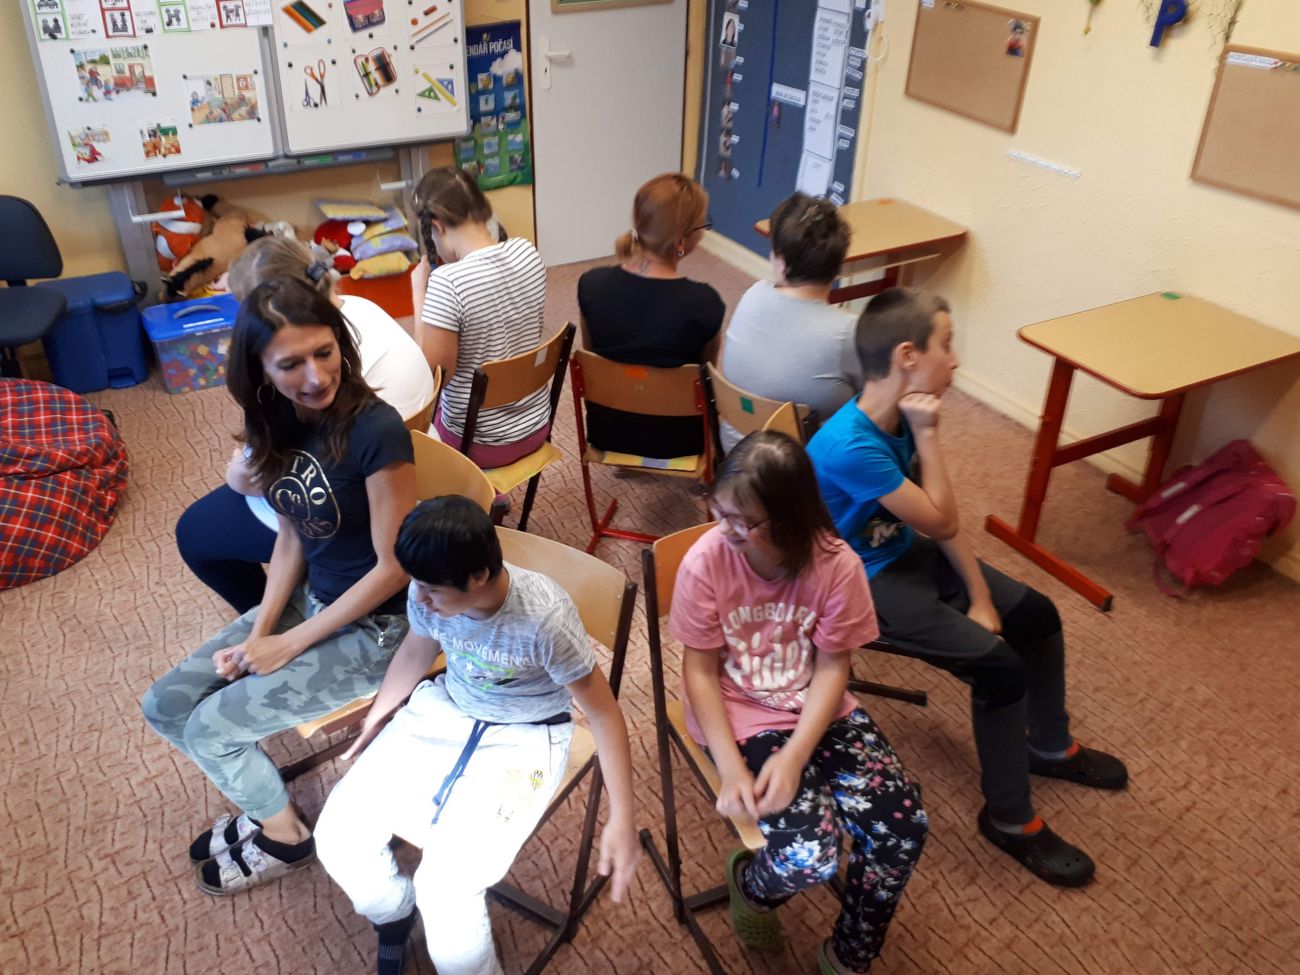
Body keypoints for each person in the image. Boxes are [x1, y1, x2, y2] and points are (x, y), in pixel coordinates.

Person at [806, 287, 1128, 888]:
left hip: (900, 552)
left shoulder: (901, 414)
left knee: (1038, 616)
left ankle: (1050, 746)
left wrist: (980, 597)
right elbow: (942, 519)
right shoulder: (851, 444)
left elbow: (942, 526)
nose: (955, 361)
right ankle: (1009, 820)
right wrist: (929, 438)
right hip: (855, 583)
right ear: (907, 355)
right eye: (946, 345)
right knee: (999, 670)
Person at [141, 278, 417, 895]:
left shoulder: (376, 431)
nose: (316, 376)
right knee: (164, 706)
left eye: (324, 352)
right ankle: (269, 807)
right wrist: (260, 632)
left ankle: (286, 837)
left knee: (210, 731)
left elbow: (394, 569)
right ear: (260, 370)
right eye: (291, 364)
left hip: (382, 627)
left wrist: (287, 644)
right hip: (314, 596)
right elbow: (292, 532)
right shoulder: (276, 417)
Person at [314, 496, 641, 975]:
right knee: (336, 833)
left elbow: (605, 716)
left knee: (446, 888)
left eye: (431, 590)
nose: (418, 599)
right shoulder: (429, 588)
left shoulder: (545, 620)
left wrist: (623, 818)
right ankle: (395, 913)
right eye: (416, 585)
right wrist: (377, 717)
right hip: (447, 706)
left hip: (528, 734)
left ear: (481, 576)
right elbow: (416, 650)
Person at [669, 431, 926, 975]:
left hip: (815, 706)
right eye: (719, 510)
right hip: (739, 710)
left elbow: (833, 666)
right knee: (811, 853)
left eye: (743, 521)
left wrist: (795, 754)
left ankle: (849, 955)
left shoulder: (837, 565)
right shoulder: (706, 562)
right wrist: (732, 766)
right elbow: (700, 670)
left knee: (902, 830)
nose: (724, 528)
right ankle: (751, 885)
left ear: (789, 519)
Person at [175, 236, 434, 615]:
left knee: (195, 532)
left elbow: (269, 478)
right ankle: (277, 613)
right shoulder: (359, 309)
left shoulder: (345, 401)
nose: (315, 376)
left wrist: (239, 474)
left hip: (362, 501)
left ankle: (273, 611)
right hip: (412, 462)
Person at [410, 166, 550, 469]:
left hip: (479, 442)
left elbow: (432, 378)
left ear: (437, 226)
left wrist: (419, 295)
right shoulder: (528, 252)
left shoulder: (448, 282)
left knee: (410, 436)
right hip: (537, 426)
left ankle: (472, 488)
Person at [577, 173, 724, 459]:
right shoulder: (705, 303)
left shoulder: (591, 285)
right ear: (682, 241)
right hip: (680, 443)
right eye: (703, 224)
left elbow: (592, 361)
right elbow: (705, 383)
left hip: (608, 433)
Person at [720, 193, 860, 452]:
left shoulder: (753, 294)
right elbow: (875, 399)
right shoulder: (848, 331)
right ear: (838, 264)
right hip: (798, 466)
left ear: (782, 262)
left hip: (735, 453)